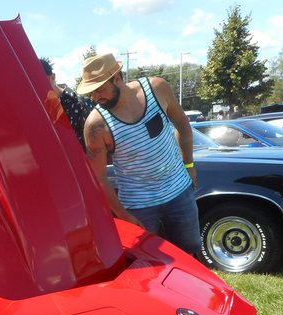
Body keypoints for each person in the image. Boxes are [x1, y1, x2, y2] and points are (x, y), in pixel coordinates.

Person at [79, 52, 200, 255]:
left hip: (180, 194)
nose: (96, 97)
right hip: (138, 206)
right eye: (91, 93)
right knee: (145, 266)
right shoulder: (96, 125)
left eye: (100, 89)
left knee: (191, 256)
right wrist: (123, 215)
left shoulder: (157, 89)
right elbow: (98, 178)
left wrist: (189, 165)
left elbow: (182, 124)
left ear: (117, 79)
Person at [40, 57, 94, 151]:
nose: (40, 86)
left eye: (42, 80)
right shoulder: (39, 109)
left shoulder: (81, 104)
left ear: (53, 77)